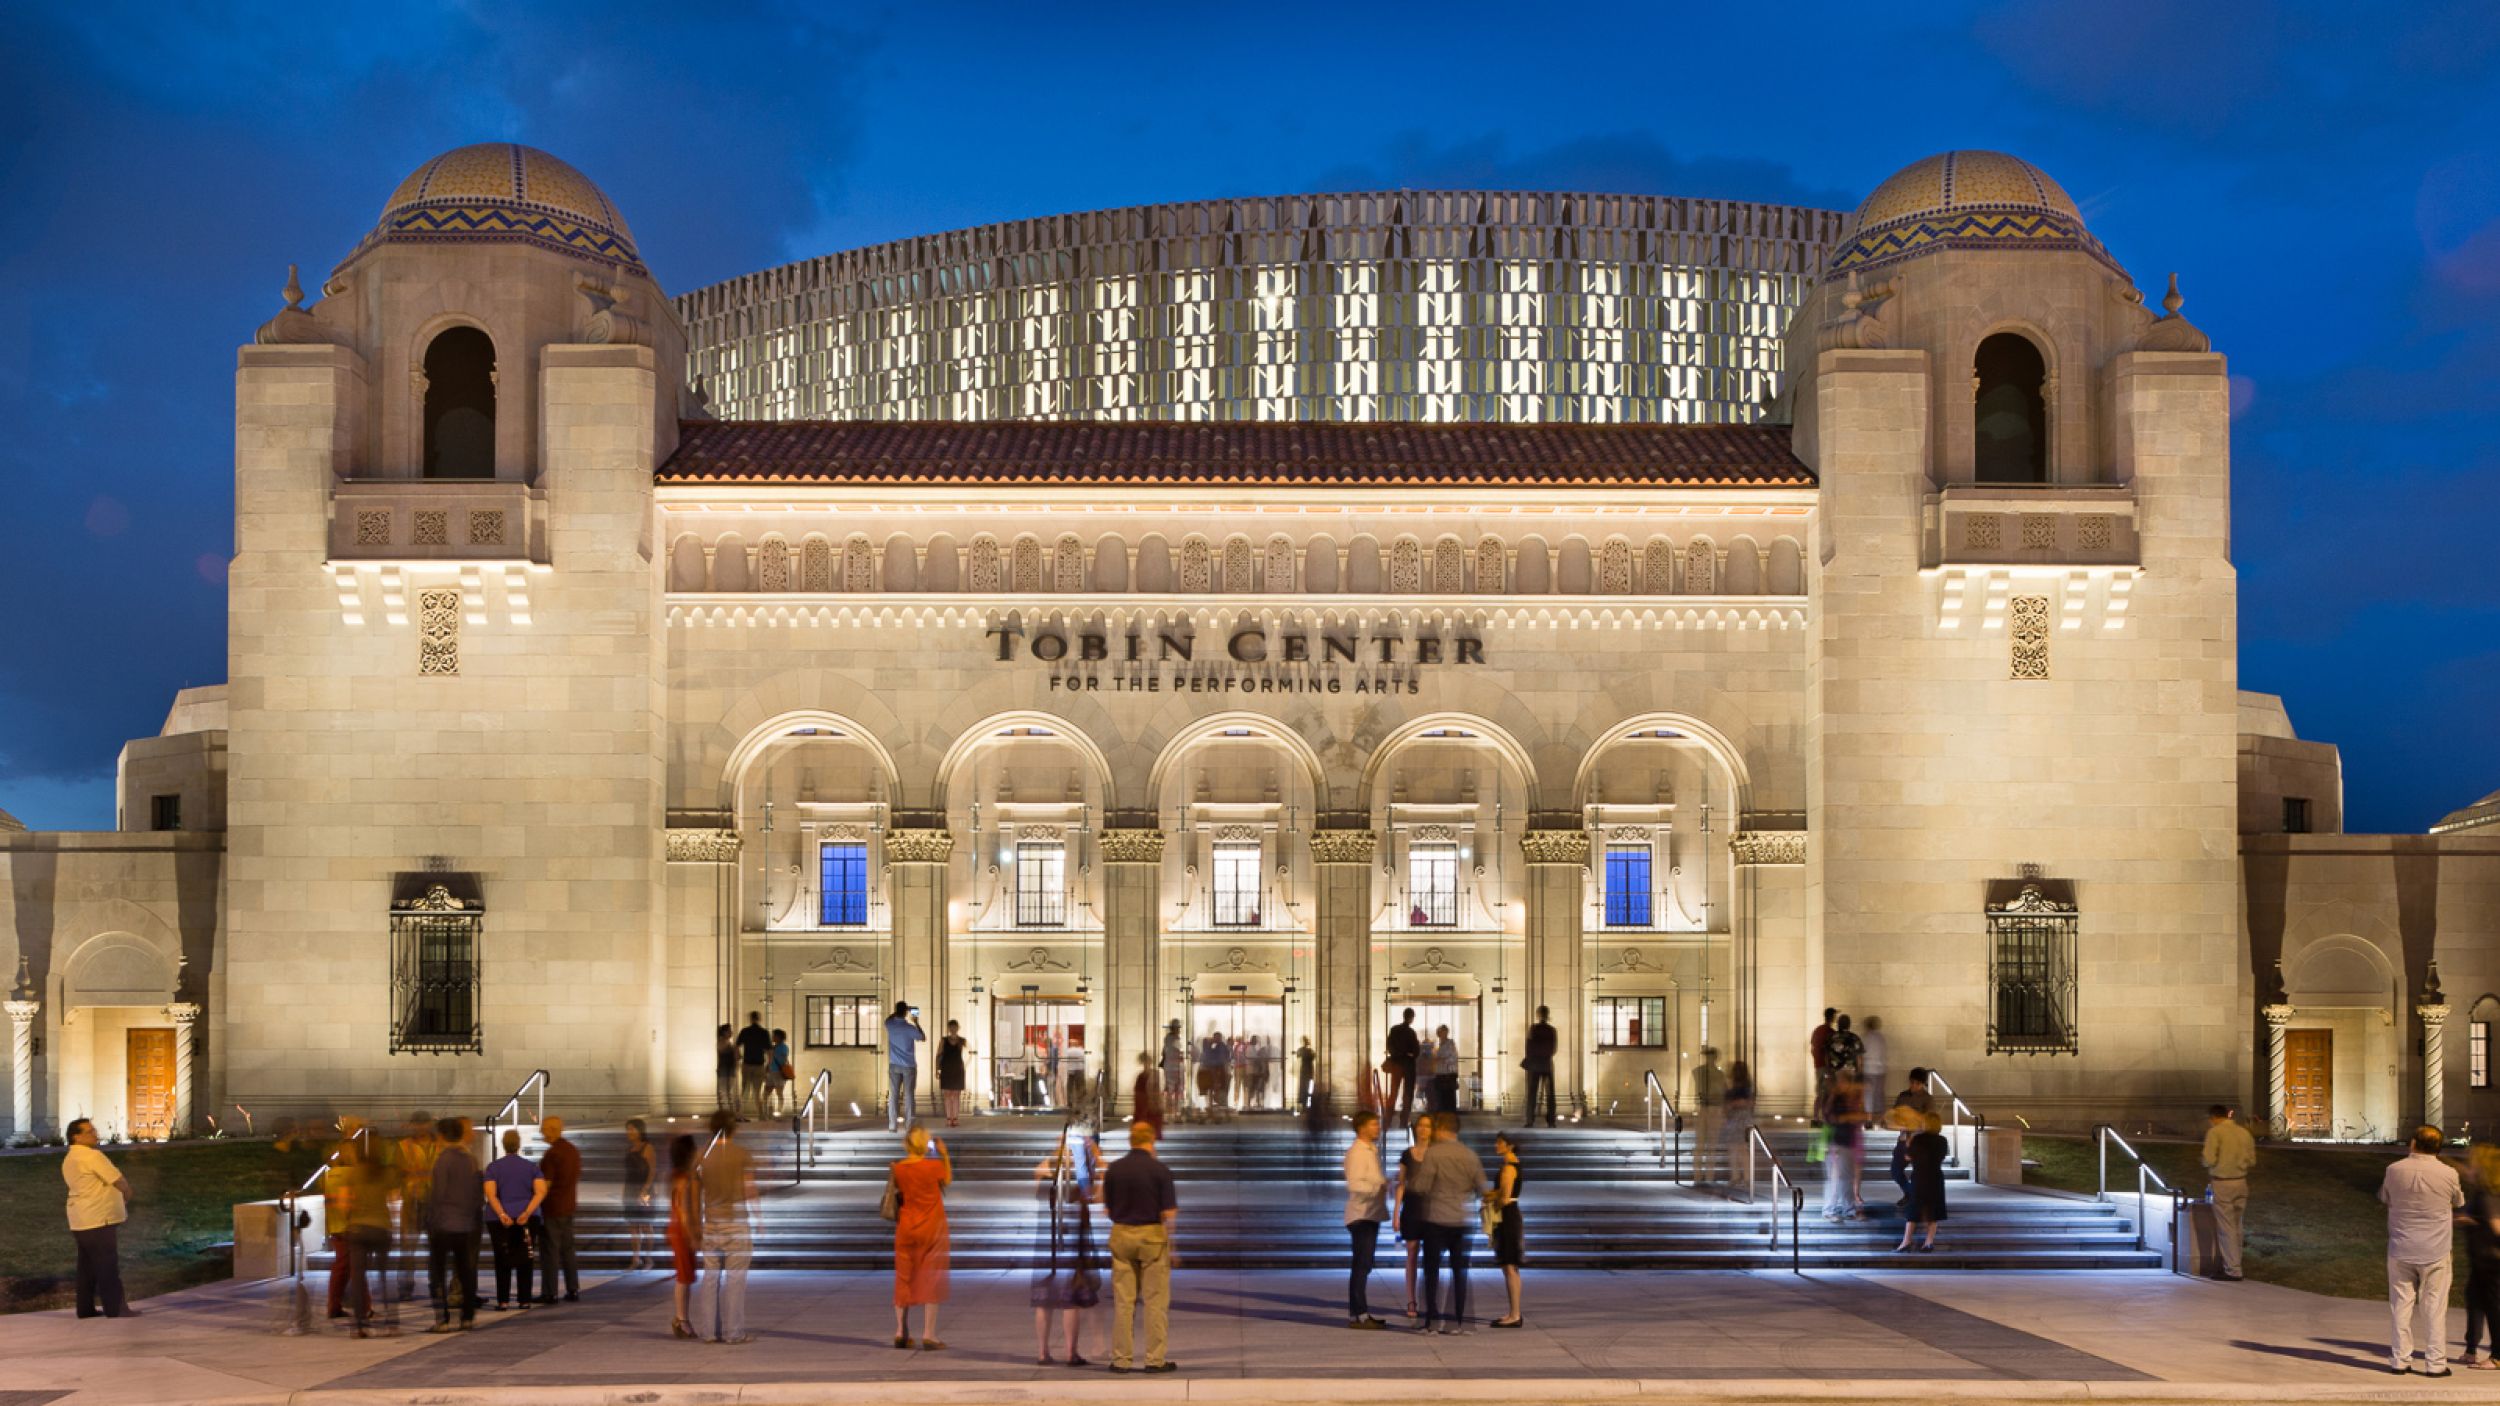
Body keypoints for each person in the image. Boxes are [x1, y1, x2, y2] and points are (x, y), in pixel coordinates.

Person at [2382, 1124, 2463, 1376]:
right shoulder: (2448, 1173)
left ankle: (2400, 1360)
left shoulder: (2393, 1170)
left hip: (2401, 1246)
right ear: (2438, 1147)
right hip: (2435, 1249)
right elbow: (2458, 1201)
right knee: (2435, 1306)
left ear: (2414, 1143)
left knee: (2401, 1305)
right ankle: (2436, 1363)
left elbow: (2386, 1197)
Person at [1104, 1118, 1179, 1373]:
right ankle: (1154, 1359)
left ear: (1130, 1141)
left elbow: (1107, 1209)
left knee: (1123, 1303)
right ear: (1151, 1140)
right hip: (1152, 1238)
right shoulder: (1160, 1171)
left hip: (1122, 1235)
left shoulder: (1114, 1169)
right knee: (1155, 1301)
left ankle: (1121, 1360)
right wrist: (1174, 1246)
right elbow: (1169, 1213)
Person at [1410, 1110, 1487, 1334]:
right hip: (1461, 1219)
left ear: (1442, 1128)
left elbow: (1421, 1186)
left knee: (1431, 1271)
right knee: (1459, 1272)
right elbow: (1482, 1187)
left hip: (1436, 1218)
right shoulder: (1470, 1155)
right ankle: (1458, 1321)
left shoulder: (1434, 1154)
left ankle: (1432, 1321)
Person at [1031, 1118, 1099, 1364]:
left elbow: (1037, 1185)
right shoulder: (1076, 1173)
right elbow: (1089, 1195)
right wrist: (1090, 1158)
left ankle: (1043, 1352)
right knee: (1070, 1299)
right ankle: (1070, 1352)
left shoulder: (1047, 1167)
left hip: (1048, 1240)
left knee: (1045, 1299)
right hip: (1070, 1241)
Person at [61, 1117, 134, 1319]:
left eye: (94, 1130)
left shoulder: (70, 1158)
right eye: (89, 1131)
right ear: (76, 1136)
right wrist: (127, 1194)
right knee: (107, 1265)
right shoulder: (92, 1156)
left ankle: (85, 1309)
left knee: (87, 1267)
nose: (95, 1134)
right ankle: (116, 1308)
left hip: (80, 1218)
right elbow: (117, 1179)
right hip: (99, 1218)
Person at [696, 1111, 757, 1344]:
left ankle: (708, 1331)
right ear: (734, 1128)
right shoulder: (741, 1154)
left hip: (711, 1222)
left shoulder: (702, 1155)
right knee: (736, 1279)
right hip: (736, 1223)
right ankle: (733, 1332)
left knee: (710, 1278)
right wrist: (759, 1219)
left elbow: (694, 1190)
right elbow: (749, 1189)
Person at [892, 1123, 953, 1349]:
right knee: (932, 1279)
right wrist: (944, 1154)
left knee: (903, 1277)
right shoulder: (933, 1167)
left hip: (906, 1228)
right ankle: (929, 1334)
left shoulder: (897, 1168)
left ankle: (901, 1331)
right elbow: (946, 1180)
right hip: (931, 1228)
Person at [424, 1116, 481, 1333]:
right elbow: (475, 1192)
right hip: (465, 1224)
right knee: (465, 1271)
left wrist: (431, 1219)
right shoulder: (469, 1159)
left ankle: (443, 1319)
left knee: (438, 1272)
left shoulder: (443, 1160)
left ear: (442, 1136)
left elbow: (438, 1194)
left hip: (443, 1224)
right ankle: (468, 1316)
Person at [338, 1135, 400, 1336]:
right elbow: (394, 1199)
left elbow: (344, 1202)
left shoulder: (353, 1174)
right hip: (381, 1227)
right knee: (385, 1276)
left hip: (358, 1229)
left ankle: (360, 1325)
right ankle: (392, 1322)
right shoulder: (386, 1173)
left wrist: (351, 1216)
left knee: (358, 1277)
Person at [483, 1127, 546, 1311]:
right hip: (527, 1218)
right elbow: (540, 1192)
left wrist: (502, 1214)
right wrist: (526, 1213)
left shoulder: (494, 1167)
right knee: (525, 1257)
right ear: (519, 1145)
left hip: (498, 1220)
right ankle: (524, 1299)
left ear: (503, 1145)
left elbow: (491, 1195)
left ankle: (503, 1300)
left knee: (502, 1258)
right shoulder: (531, 1167)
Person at [1343, 1109, 1389, 1329]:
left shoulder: (1370, 1150)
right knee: (1361, 1265)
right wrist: (1378, 1187)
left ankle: (1359, 1312)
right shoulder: (1357, 1153)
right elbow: (1355, 1184)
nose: (1377, 1128)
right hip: (1361, 1214)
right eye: (1373, 1125)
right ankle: (1359, 1314)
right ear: (1362, 1128)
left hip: (1370, 1213)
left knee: (1365, 1264)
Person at [2200, 1103, 2255, 1282]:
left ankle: (2232, 1269)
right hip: (2242, 1181)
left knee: (2226, 1228)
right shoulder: (2244, 1132)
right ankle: (2236, 1264)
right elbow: (2252, 1160)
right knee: (2238, 1226)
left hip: (2223, 1183)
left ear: (2214, 1117)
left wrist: (2205, 1162)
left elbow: (2208, 1159)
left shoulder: (2215, 1133)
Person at [537, 1116, 582, 1304]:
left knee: (550, 1252)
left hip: (552, 1208)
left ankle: (550, 1292)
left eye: (544, 1129)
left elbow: (545, 1185)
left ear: (552, 1130)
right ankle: (573, 1289)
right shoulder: (572, 1151)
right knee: (568, 1250)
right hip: (569, 1206)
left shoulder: (552, 1155)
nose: (541, 1132)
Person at [394, 1111, 437, 1299]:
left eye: (423, 1124)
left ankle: (436, 1284)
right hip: (412, 1201)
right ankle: (405, 1287)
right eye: (417, 1124)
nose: (420, 1127)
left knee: (436, 1247)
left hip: (434, 1201)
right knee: (407, 1248)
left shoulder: (439, 1144)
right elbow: (397, 1173)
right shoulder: (403, 1146)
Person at [2465, 1144, 2500, 1370]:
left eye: (2473, 1159)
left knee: (2495, 1305)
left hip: (2492, 1259)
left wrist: (2474, 1222)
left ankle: (2497, 1356)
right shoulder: (2483, 1190)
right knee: (2474, 1298)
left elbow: (2497, 1226)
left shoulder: (2488, 1193)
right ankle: (2471, 1350)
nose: (2470, 1163)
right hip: (2481, 1259)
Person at [665, 1133, 702, 1340]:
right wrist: (693, 1235)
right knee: (684, 1276)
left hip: (678, 1229)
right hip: (681, 1230)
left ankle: (683, 1318)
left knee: (686, 1276)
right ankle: (681, 1319)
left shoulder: (679, 1176)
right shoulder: (685, 1179)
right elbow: (684, 1211)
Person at [1895, 1112, 1948, 1252]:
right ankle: (1929, 1242)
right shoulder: (1942, 1140)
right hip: (1936, 1177)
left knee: (1913, 1210)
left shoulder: (1918, 1139)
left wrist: (1908, 1142)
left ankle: (1906, 1241)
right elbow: (1941, 1156)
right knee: (1933, 1211)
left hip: (1920, 1177)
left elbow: (1907, 1157)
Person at [1393, 1114, 1429, 1318]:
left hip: (1432, 1208)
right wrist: (1396, 1212)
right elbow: (1401, 1184)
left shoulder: (1436, 1154)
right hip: (1413, 1208)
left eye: (1427, 1126)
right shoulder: (1407, 1155)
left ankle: (1429, 1299)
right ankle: (1411, 1300)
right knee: (1412, 1254)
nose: (1423, 1130)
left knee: (1431, 1257)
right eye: (1421, 1126)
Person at [1489, 1130, 1526, 1328]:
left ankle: (1515, 1314)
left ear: (1509, 1145)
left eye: (1500, 1142)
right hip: (1512, 1215)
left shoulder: (1508, 1168)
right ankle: (1514, 1312)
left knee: (1509, 1266)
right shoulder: (1515, 1165)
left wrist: (1490, 1198)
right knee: (1510, 1267)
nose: (1496, 1146)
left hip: (1507, 1217)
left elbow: (1504, 1197)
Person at [1820, 1071, 1866, 1222]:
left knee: (1846, 1178)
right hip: (1836, 1142)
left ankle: (1849, 1209)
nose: (1842, 1085)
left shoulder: (1849, 1098)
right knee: (1835, 1178)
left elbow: (1860, 1117)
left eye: (1844, 1082)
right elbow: (1829, 1116)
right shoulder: (1834, 1097)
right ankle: (1829, 1209)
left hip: (1847, 1141)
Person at [621, 1118, 658, 1271]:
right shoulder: (630, 1149)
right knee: (633, 1227)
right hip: (630, 1190)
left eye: (632, 1129)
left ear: (640, 1130)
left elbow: (652, 1171)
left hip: (645, 1191)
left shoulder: (648, 1148)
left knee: (645, 1225)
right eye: (627, 1129)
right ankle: (635, 1259)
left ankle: (648, 1258)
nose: (629, 1132)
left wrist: (644, 1190)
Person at [884, 1003, 924, 1132]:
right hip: (908, 1065)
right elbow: (922, 1037)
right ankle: (909, 1125)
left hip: (894, 1064)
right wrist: (916, 1022)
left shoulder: (890, 1025)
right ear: (906, 1012)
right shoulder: (910, 1028)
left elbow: (887, 1020)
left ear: (896, 1011)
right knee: (909, 1095)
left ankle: (892, 1124)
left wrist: (898, 1012)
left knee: (894, 1095)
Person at [1721, 1059, 1756, 1199]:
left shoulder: (1742, 1088)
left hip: (1738, 1120)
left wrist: (1734, 1105)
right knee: (1737, 1150)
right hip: (1738, 1120)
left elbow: (1746, 1103)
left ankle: (1743, 1178)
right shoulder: (1741, 1087)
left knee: (1739, 1149)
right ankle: (1740, 1177)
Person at [1691, 1048, 1727, 1184]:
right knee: (1701, 1145)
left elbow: (1722, 1094)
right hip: (1705, 1109)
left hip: (1714, 1109)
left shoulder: (1719, 1075)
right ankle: (1698, 1176)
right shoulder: (1699, 1072)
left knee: (1710, 1145)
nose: (1710, 1059)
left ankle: (1708, 1176)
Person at [1520, 1006, 1558, 1129]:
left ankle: (1530, 1120)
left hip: (1535, 1065)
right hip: (1546, 1064)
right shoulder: (1552, 1030)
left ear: (1538, 1015)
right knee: (1550, 1095)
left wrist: (1532, 1057)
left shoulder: (1533, 1029)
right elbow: (1553, 1049)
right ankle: (1551, 1121)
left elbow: (1528, 1047)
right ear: (1547, 1015)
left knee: (1532, 1094)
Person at [1383, 1010, 1421, 1130]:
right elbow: (1416, 1051)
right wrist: (1408, 1054)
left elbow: (1389, 1045)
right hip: (1408, 1065)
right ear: (1411, 1018)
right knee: (1408, 1093)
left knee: (1393, 1092)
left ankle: (1387, 1120)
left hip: (1396, 1064)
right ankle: (1403, 1121)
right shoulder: (1410, 1032)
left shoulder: (1394, 1030)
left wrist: (1397, 1055)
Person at [735, 1011, 774, 1120]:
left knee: (745, 1091)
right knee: (757, 1092)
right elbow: (769, 1051)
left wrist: (739, 1057)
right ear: (759, 1018)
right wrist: (769, 1065)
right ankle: (761, 1115)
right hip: (759, 1064)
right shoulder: (764, 1032)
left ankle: (740, 1114)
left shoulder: (745, 1031)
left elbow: (737, 1046)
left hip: (747, 1064)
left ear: (751, 1019)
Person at [938, 1019, 969, 1127]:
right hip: (946, 1068)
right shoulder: (944, 1040)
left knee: (956, 1094)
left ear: (957, 1028)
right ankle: (948, 1118)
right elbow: (938, 1054)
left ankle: (955, 1117)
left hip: (957, 1068)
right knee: (947, 1094)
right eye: (951, 1027)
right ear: (949, 1028)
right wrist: (937, 1069)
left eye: (954, 1027)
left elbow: (971, 1052)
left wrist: (965, 1064)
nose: (953, 1029)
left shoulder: (962, 1040)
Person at [1857, 1015, 1889, 1118]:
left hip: (1868, 1069)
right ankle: (1881, 1118)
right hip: (1880, 1069)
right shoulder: (1881, 1037)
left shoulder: (1865, 1037)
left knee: (1868, 1095)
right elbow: (1883, 1053)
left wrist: (1859, 1069)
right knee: (1879, 1094)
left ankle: (1869, 1119)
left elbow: (1861, 1055)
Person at [1808, 1007, 1836, 1119]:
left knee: (1820, 1092)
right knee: (1829, 1092)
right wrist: (1828, 1068)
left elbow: (1813, 1048)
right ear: (1832, 1017)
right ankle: (1825, 1116)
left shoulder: (1817, 1030)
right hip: (1826, 1067)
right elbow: (1827, 1052)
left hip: (1818, 1066)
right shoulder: (1830, 1032)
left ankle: (1816, 1117)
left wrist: (1816, 1061)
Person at [1132, 1051, 1164, 1140]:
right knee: (1144, 1117)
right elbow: (1138, 1090)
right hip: (1143, 1100)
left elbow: (1155, 1088)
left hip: (1148, 1100)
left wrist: (1157, 1099)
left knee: (1150, 1116)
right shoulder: (1142, 1075)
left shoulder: (1153, 1073)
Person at [1159, 1021, 1187, 1119]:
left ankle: (1169, 1113)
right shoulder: (1175, 1039)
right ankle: (1175, 1113)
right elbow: (1180, 1051)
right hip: (1175, 1068)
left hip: (1169, 1067)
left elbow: (1164, 1052)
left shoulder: (1167, 1039)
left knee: (1170, 1091)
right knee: (1175, 1091)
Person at [1430, 1025, 1460, 1113]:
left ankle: (1449, 1115)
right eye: (1440, 1032)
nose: (1441, 1034)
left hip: (1448, 1074)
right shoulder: (1439, 1045)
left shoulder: (1450, 1044)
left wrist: (1441, 1059)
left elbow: (1453, 1058)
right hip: (1441, 1074)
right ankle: (1444, 1115)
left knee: (1448, 1097)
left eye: (1443, 1032)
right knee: (1442, 1097)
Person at [763, 1028, 792, 1117]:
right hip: (772, 1072)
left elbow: (783, 1060)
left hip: (779, 1073)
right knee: (766, 1092)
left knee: (779, 1093)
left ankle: (779, 1112)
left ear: (779, 1037)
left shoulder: (783, 1047)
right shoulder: (774, 1047)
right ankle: (766, 1112)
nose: (773, 1037)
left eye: (774, 1035)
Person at [714, 1024, 738, 1111]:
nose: (731, 1032)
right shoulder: (722, 1042)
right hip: (724, 1069)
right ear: (724, 1032)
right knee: (724, 1092)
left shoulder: (729, 1043)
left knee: (729, 1092)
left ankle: (730, 1112)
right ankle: (725, 1112)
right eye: (729, 1030)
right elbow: (723, 1051)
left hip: (730, 1069)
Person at [1296, 1035, 1318, 1112]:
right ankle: (1306, 1106)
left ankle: (1306, 1106)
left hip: (1307, 1072)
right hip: (1307, 1072)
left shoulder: (1305, 1050)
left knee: (1306, 1089)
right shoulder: (1307, 1051)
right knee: (1306, 1089)